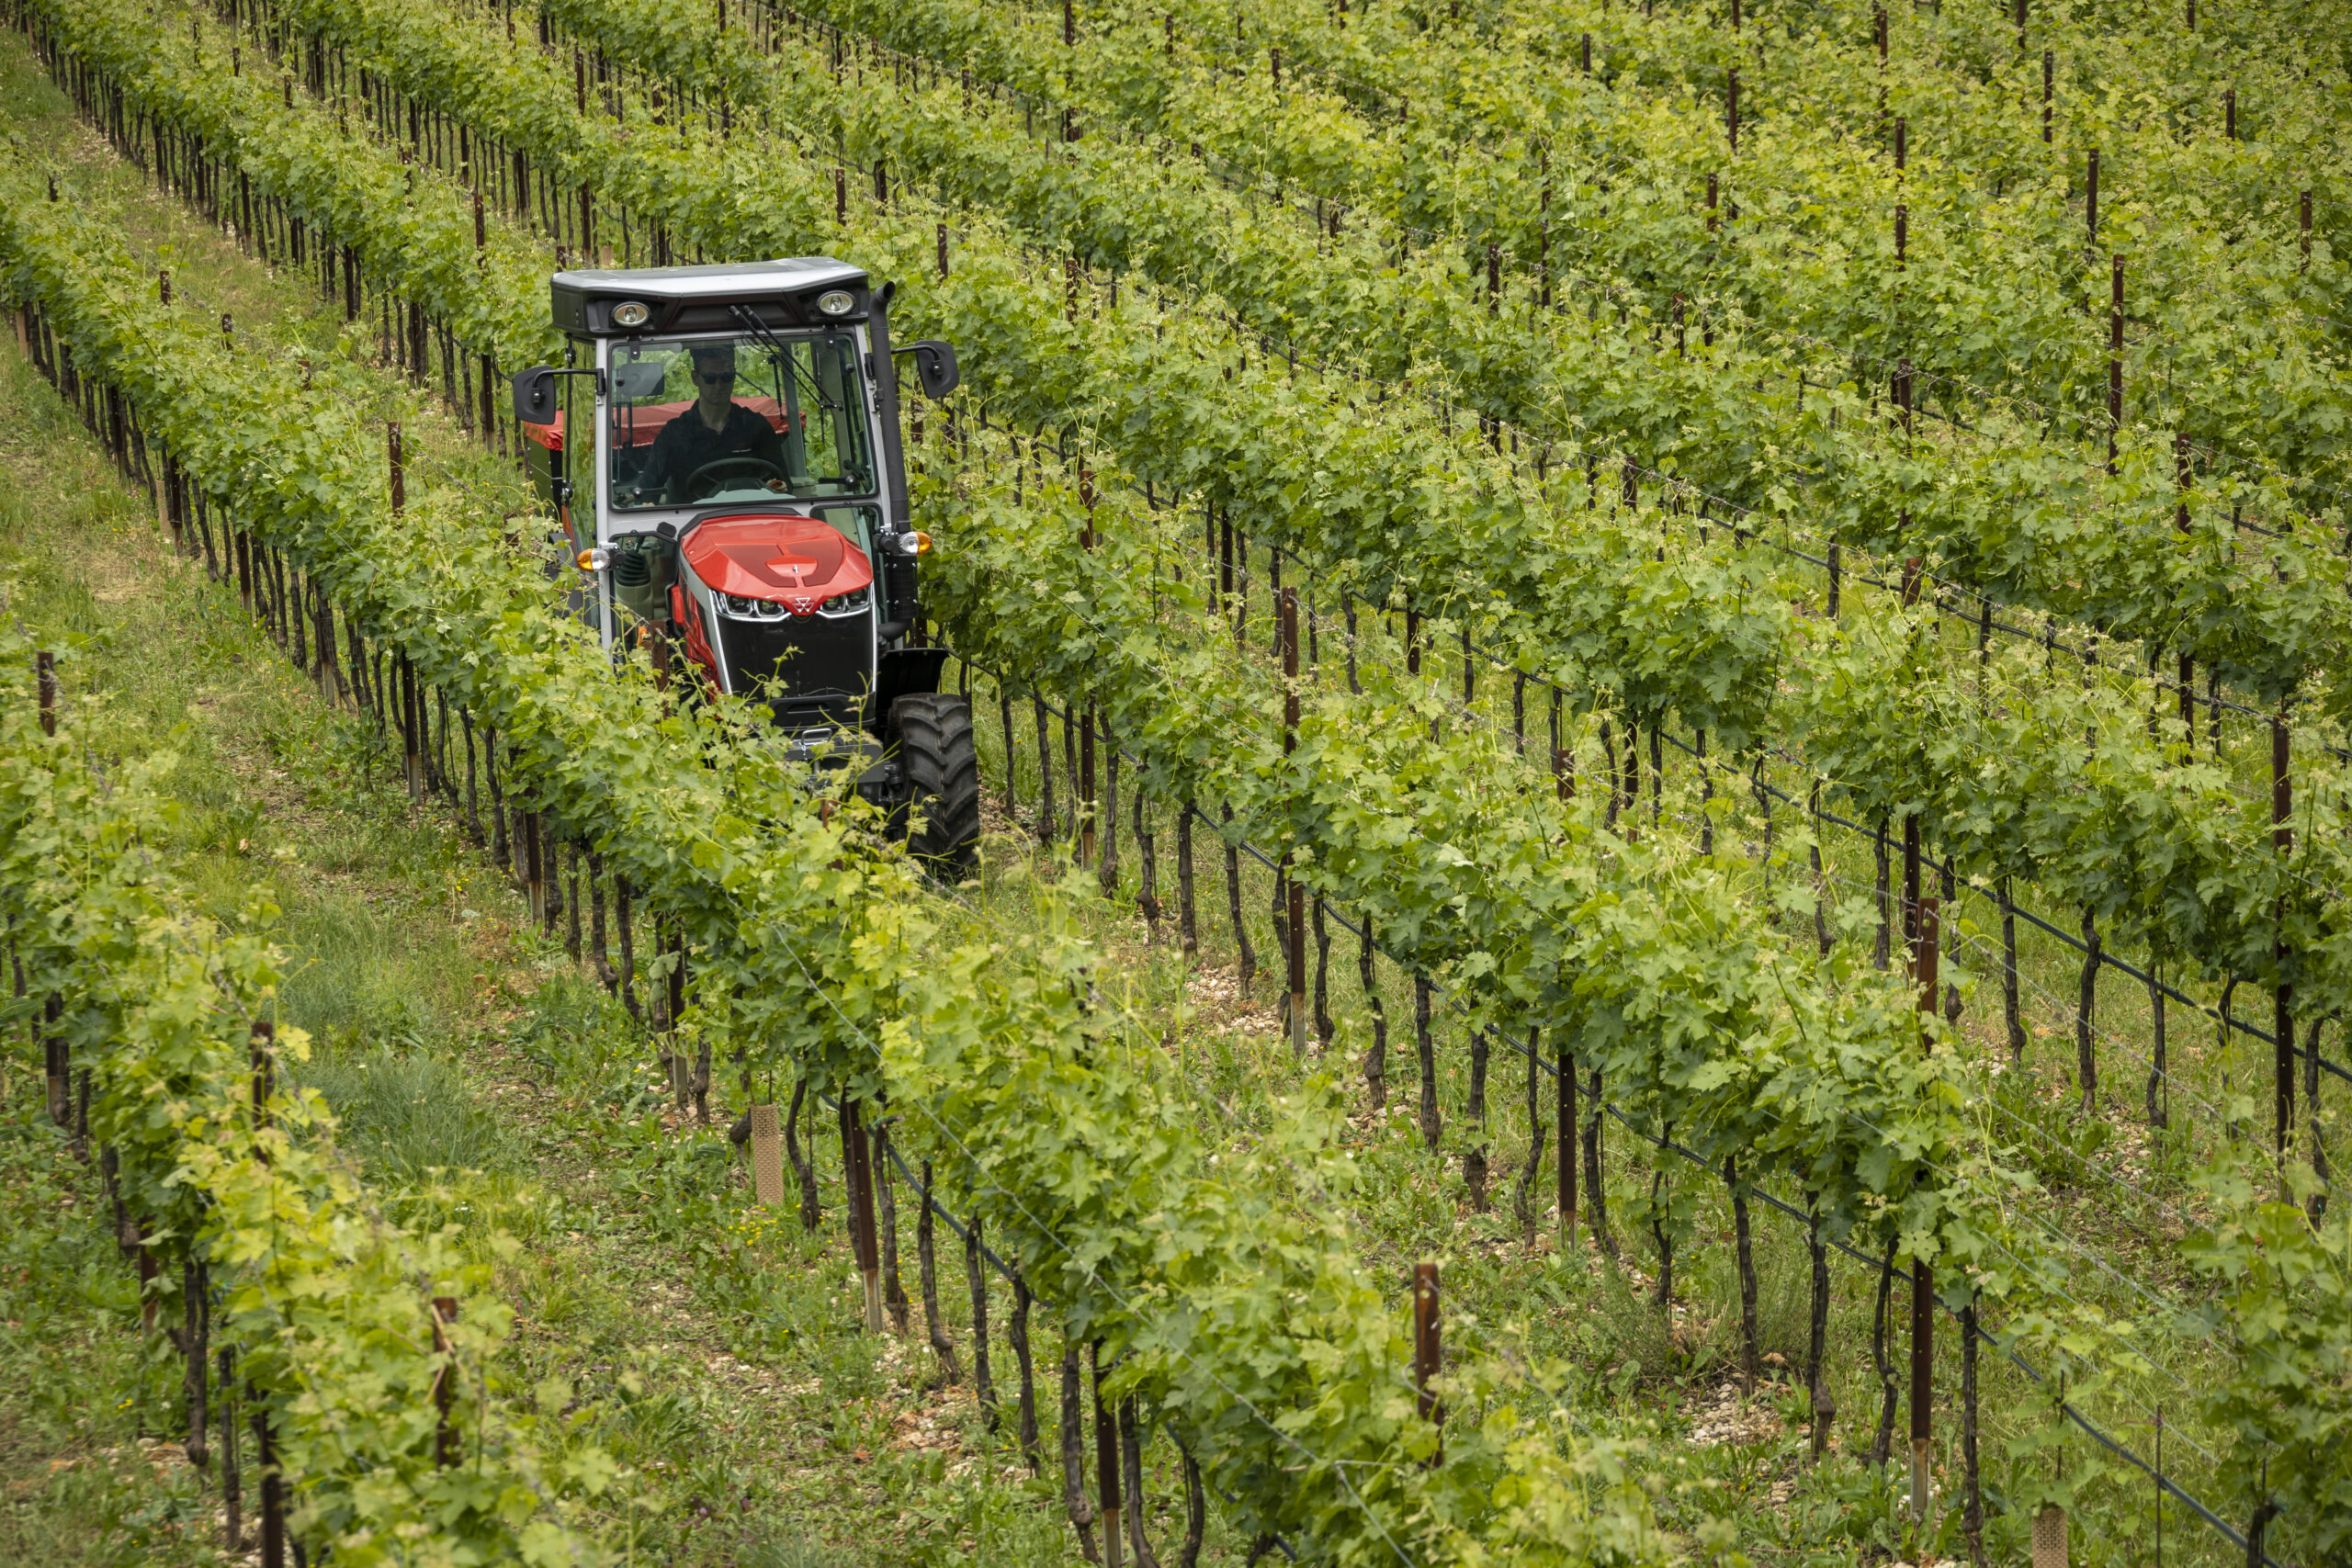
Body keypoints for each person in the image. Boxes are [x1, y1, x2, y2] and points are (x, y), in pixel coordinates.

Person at [628, 343, 787, 504]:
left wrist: (777, 488)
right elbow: (647, 491)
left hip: (750, 520)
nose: (719, 386)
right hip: (690, 523)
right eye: (710, 379)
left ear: (734, 376)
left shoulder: (757, 427)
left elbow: (783, 483)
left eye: (726, 377)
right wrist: (646, 503)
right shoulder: (674, 434)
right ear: (695, 378)